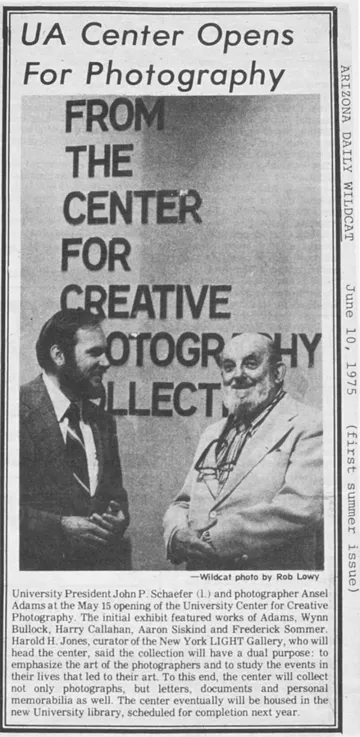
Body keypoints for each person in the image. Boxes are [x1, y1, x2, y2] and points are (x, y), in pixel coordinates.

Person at [163, 333, 323, 570]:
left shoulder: (310, 424)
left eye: (250, 364)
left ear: (277, 373)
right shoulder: (213, 433)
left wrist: (213, 540)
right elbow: (183, 503)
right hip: (200, 586)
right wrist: (176, 536)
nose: (238, 375)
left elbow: (301, 509)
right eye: (229, 367)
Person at [20, 308, 130, 570]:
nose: (106, 362)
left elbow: (117, 495)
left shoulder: (103, 422)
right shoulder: (12, 412)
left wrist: (119, 517)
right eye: (94, 353)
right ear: (58, 355)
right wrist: (59, 527)